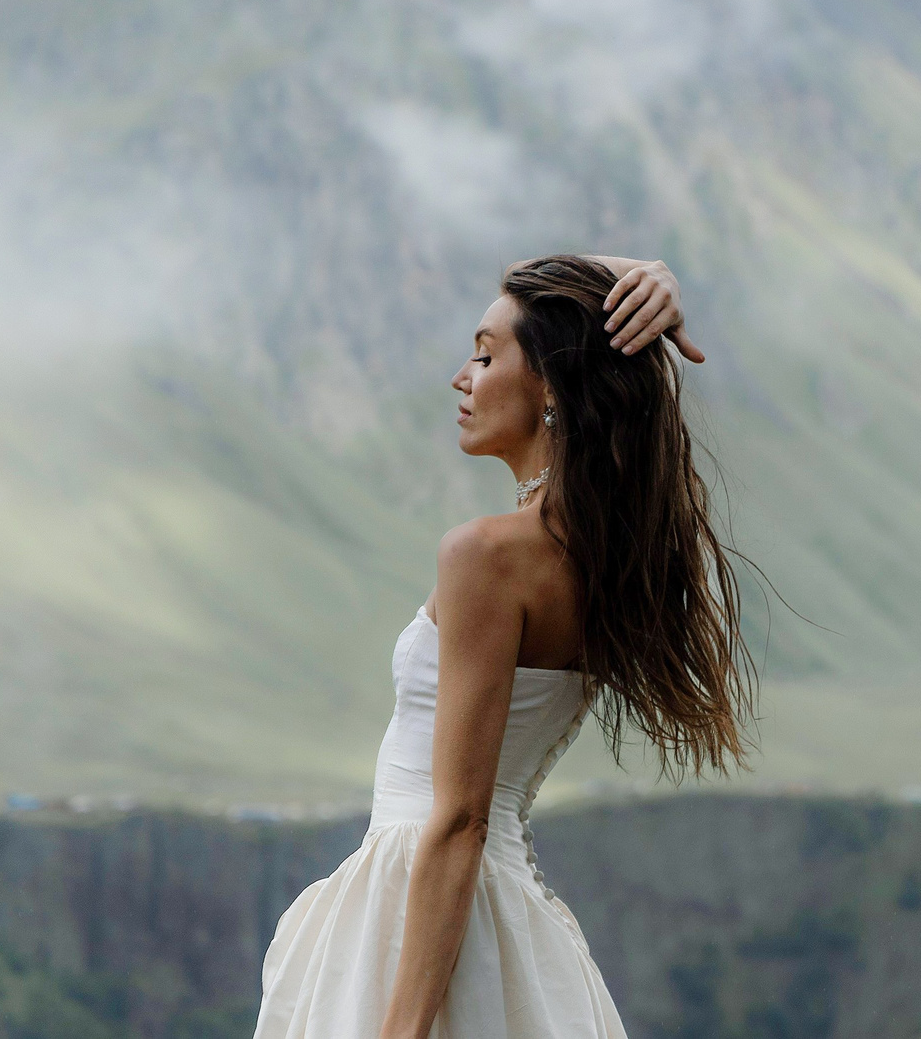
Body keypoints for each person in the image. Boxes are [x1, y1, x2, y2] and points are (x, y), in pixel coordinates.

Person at [255, 255, 753, 1039]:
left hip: (421, 900)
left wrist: (402, 1029)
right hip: (507, 919)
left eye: (486, 356)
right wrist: (649, 276)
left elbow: (460, 819)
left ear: (551, 384)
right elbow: (540, 284)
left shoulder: (488, 555)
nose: (462, 376)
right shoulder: (603, 557)